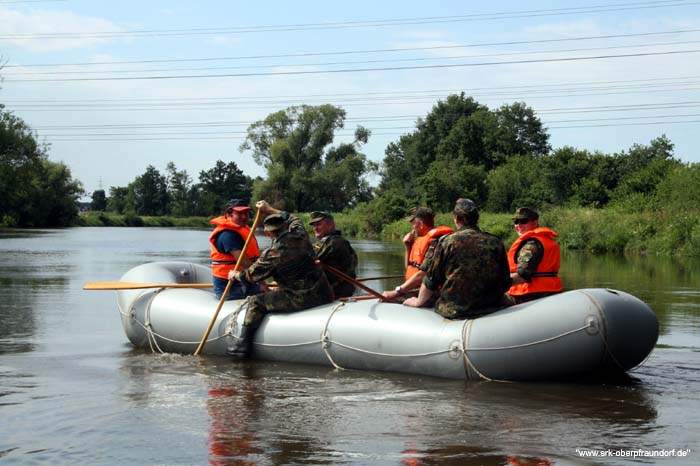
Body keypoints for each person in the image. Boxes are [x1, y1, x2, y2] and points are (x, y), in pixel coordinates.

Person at [227, 200, 334, 358]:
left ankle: (242, 346)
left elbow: (250, 275)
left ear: (268, 233)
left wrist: (234, 275)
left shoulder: (272, 254)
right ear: (285, 227)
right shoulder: (301, 234)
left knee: (256, 302)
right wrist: (269, 209)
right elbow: (294, 217)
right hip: (325, 292)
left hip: (301, 298)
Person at [404, 198, 511, 319]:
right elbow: (505, 282)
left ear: (456, 218)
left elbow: (431, 280)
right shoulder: (496, 242)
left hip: (454, 310)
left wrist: (418, 301)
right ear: (477, 218)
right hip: (491, 308)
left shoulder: (447, 242)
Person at [382, 207, 453, 302]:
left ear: (421, 224)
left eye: (413, 224)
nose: (412, 227)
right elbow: (409, 269)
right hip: (416, 288)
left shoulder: (435, 242)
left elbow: (422, 274)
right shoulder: (421, 240)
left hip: (432, 292)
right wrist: (408, 247)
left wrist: (397, 291)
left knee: (386, 299)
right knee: (385, 297)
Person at [506, 207, 563, 304]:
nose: (518, 225)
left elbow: (522, 275)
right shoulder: (546, 240)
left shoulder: (531, 245)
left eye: (523, 221)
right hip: (550, 290)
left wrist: (498, 284)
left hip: (529, 294)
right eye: (516, 221)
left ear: (534, 223)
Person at [209, 199, 261, 300]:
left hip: (245, 280)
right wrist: (262, 283)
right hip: (230, 286)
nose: (244, 217)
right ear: (229, 214)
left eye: (246, 213)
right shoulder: (227, 235)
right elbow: (244, 262)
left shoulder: (241, 229)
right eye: (240, 213)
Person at [309, 211, 358, 298]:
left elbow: (307, 260)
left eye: (319, 224)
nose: (315, 228)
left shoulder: (333, 242)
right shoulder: (339, 240)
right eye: (314, 225)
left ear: (330, 225)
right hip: (339, 290)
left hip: (333, 293)